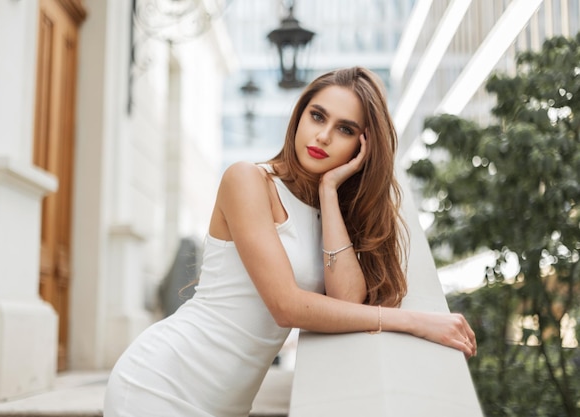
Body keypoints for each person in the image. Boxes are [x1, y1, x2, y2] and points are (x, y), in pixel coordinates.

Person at [103, 67, 477, 417]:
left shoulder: (331, 214)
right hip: (160, 382)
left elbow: (346, 300)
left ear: (362, 149)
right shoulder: (248, 180)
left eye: (345, 130)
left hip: (225, 404)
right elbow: (287, 306)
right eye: (317, 116)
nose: (324, 136)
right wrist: (413, 322)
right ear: (299, 116)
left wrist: (330, 192)